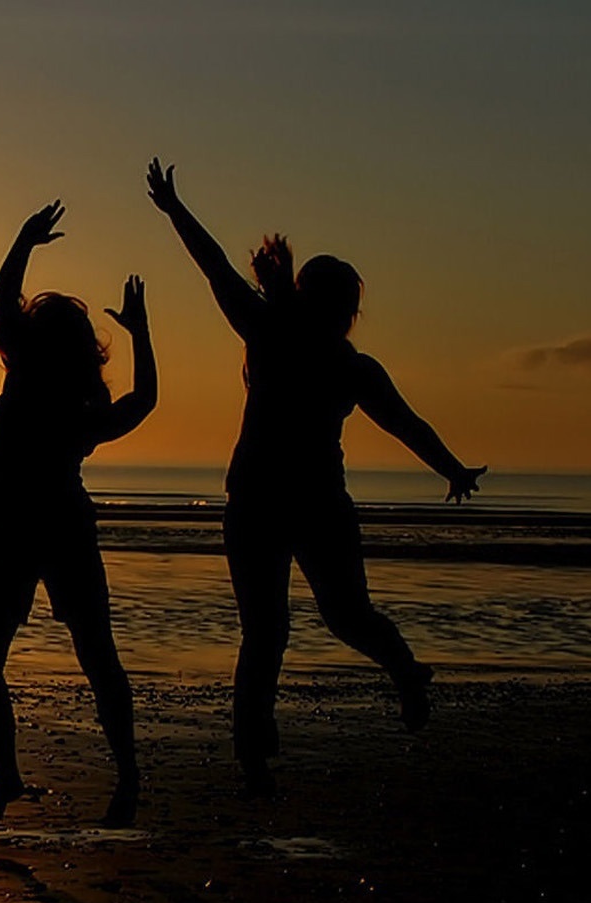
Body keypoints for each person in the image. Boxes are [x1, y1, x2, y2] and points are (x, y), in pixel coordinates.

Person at [143, 158, 486, 796]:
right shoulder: (313, 349)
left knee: (280, 629)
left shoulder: (299, 345)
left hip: (278, 503)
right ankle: (270, 738)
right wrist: (452, 469)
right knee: (321, 620)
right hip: (289, 503)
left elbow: (215, 267)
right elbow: (407, 425)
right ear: (346, 309)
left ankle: (273, 739)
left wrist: (175, 209)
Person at [0, 202, 159, 827]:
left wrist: (24, 239)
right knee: (91, 654)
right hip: (53, 530)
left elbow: (2, 300)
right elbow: (144, 400)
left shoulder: (28, 382)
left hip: (23, 535)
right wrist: (140, 333)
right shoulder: (76, 405)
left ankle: (25, 775)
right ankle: (112, 776)